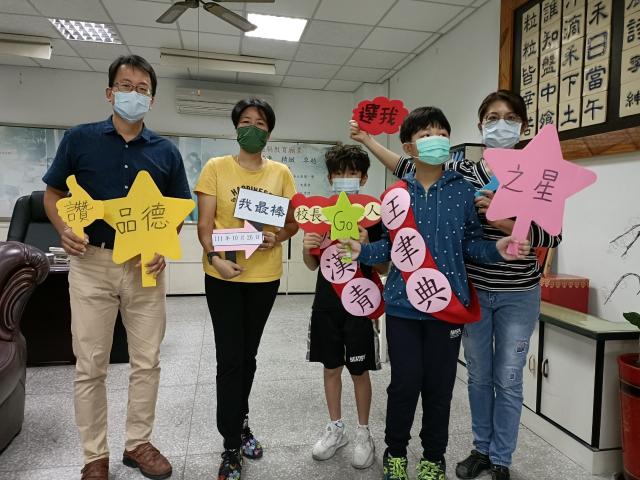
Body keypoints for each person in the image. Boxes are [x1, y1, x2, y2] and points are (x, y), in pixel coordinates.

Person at [350, 90, 561, 480]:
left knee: (503, 378)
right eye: (493, 118)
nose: (501, 125)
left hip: (497, 294)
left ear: (524, 126)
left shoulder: (534, 174)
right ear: (480, 125)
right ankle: (464, 450)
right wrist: (366, 140)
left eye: (510, 118)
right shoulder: (461, 176)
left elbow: (550, 235)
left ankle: (492, 458)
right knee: (461, 378)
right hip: (459, 292)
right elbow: (407, 169)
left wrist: (504, 232)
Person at [43, 55, 191, 480]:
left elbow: (178, 209)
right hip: (92, 262)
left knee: (147, 360)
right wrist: (64, 229)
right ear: (110, 92)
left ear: (152, 99)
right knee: (91, 363)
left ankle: (137, 443)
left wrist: (162, 245)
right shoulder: (80, 139)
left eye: (142, 89)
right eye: (126, 86)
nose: (134, 94)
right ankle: (94, 455)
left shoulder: (166, 152)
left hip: (145, 266)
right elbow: (53, 194)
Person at [195, 98, 299, 480]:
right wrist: (214, 258)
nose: (252, 128)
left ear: (269, 132)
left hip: (264, 278)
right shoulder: (215, 168)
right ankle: (230, 444)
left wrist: (278, 237)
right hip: (223, 276)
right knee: (230, 359)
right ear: (235, 127)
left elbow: (292, 224)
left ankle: (240, 423)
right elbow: (205, 225)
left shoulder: (281, 173)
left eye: (260, 123)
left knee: (248, 356)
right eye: (245, 121)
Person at [303, 144, 387, 469]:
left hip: (360, 302)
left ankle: (364, 432)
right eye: (339, 173)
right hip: (326, 303)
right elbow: (312, 265)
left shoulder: (372, 214)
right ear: (330, 178)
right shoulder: (320, 214)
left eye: (352, 173)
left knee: (359, 369)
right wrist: (307, 247)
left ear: (363, 178)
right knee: (330, 367)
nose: (345, 178)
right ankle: (336, 428)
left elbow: (383, 267)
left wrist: (368, 245)